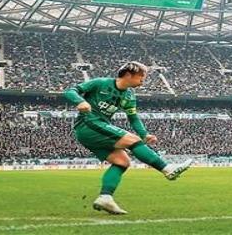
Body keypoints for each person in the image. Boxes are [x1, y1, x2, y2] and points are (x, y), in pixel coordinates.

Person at [64, 61, 192, 214]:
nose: (143, 80)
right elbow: (71, 91)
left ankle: (105, 197)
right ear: (128, 75)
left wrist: (144, 134)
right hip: (88, 125)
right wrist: (80, 101)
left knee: (122, 162)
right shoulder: (100, 83)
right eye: (141, 76)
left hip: (97, 129)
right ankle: (167, 169)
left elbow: (133, 118)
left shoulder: (129, 95)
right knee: (132, 140)